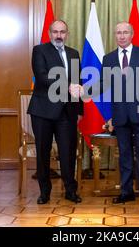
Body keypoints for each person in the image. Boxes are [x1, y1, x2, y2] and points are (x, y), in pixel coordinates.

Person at [101, 22, 139, 207]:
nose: (122, 36)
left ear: (132, 34)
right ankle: (126, 192)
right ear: (115, 35)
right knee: (124, 155)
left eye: (125, 32)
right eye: (118, 32)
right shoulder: (108, 58)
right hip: (120, 115)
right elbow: (104, 85)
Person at [27, 20, 83, 204]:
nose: (59, 35)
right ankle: (44, 192)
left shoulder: (74, 54)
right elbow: (42, 77)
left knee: (68, 152)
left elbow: (77, 84)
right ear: (50, 33)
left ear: (67, 33)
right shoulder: (40, 50)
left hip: (67, 112)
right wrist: (67, 86)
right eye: (55, 32)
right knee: (43, 153)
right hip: (43, 111)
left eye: (62, 32)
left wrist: (79, 110)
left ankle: (70, 190)